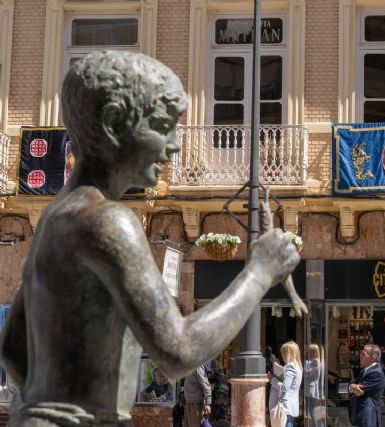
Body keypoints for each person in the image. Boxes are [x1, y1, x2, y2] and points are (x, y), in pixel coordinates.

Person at [0, 51, 300, 426]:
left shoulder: (57, 216)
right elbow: (179, 350)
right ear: (113, 123)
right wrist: (259, 271)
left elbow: (14, 348)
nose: (173, 145)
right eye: (160, 126)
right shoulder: (109, 221)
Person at [348, 344, 385, 427]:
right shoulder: (366, 370)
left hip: (368, 417)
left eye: (363, 354)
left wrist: (352, 387)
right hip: (362, 415)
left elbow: (360, 390)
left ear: (373, 357)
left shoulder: (376, 372)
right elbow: (353, 384)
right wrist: (352, 387)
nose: (360, 356)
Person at [268, 341, 303, 427]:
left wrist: (272, 379)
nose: (282, 355)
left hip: (285, 406)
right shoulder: (297, 366)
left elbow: (284, 387)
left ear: (288, 353)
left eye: (283, 352)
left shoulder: (290, 366)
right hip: (290, 405)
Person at [304, 343, 325, 427]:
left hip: (311, 389)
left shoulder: (315, 361)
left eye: (309, 351)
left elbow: (307, 373)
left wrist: (305, 364)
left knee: (311, 410)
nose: (307, 352)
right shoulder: (316, 361)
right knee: (311, 410)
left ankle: (315, 425)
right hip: (311, 388)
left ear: (312, 352)